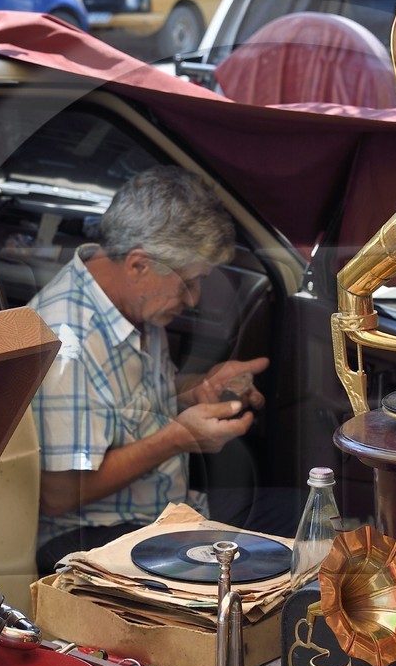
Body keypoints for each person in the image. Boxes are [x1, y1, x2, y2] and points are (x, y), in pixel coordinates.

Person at [28, 166, 268, 574]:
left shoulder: (134, 304)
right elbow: (58, 493)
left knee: (301, 522)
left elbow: (124, 405)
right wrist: (178, 438)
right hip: (95, 541)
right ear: (139, 264)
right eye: (189, 282)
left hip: (164, 514)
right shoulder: (67, 344)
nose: (193, 299)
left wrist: (198, 389)